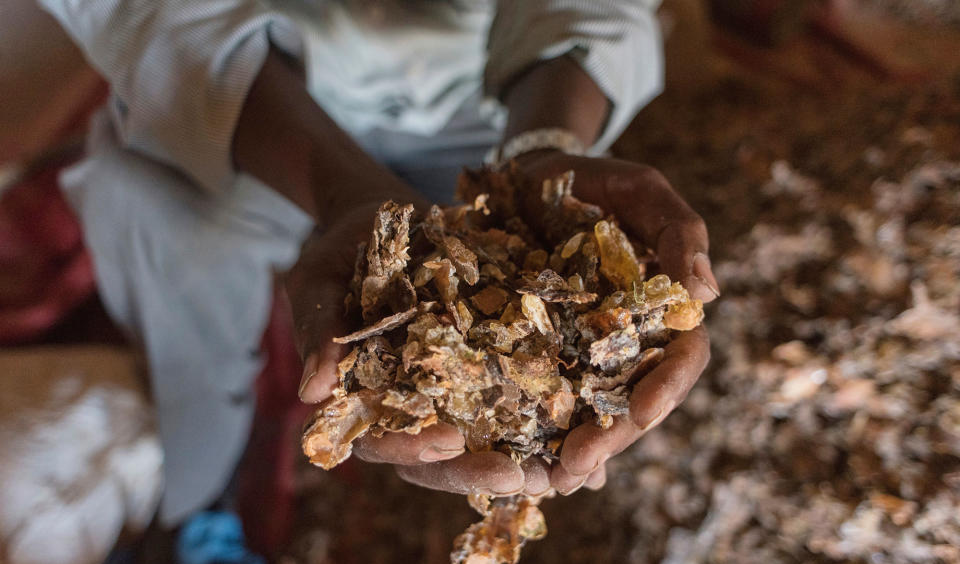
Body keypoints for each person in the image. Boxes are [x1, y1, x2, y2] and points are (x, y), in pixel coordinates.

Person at [37, 0, 719, 526]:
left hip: (491, 90)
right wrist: (339, 189)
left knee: (375, 369)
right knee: (188, 316)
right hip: (225, 91)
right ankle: (200, 497)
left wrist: (540, 150)